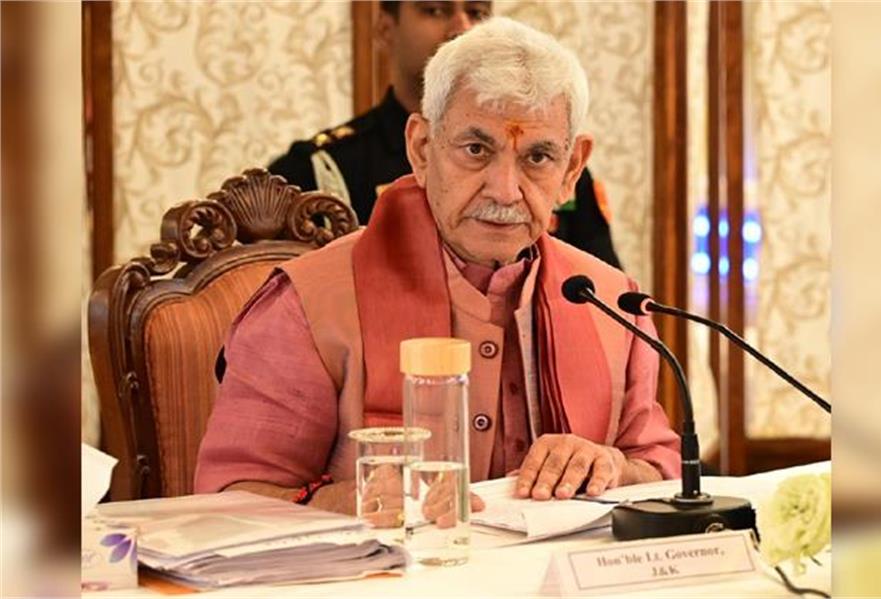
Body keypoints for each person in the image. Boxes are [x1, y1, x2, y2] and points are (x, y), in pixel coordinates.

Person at [196, 17, 679, 519]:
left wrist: (610, 466)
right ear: (422, 149)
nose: (505, 191)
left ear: (572, 168)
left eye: (538, 157)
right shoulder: (309, 304)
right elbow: (228, 503)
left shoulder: (611, 301)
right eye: (476, 150)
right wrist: (350, 502)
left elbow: (662, 469)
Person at [269, 1, 623, 268]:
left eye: (476, 12)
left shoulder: (549, 162)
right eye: (435, 10)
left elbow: (595, 297)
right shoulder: (322, 167)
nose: (461, 27)